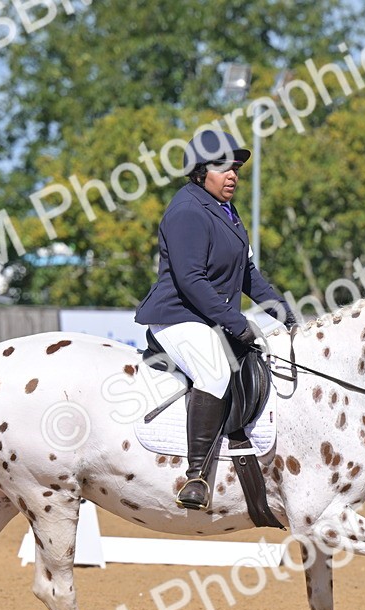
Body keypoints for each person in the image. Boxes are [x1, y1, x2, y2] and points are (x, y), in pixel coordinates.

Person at [135, 129, 295, 511]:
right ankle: (196, 476)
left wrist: (281, 309)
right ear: (200, 170)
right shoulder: (186, 211)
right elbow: (191, 280)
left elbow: (247, 274)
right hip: (178, 315)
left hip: (207, 316)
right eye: (225, 167)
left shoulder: (227, 211)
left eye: (237, 168)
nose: (233, 175)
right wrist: (234, 321)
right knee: (215, 371)